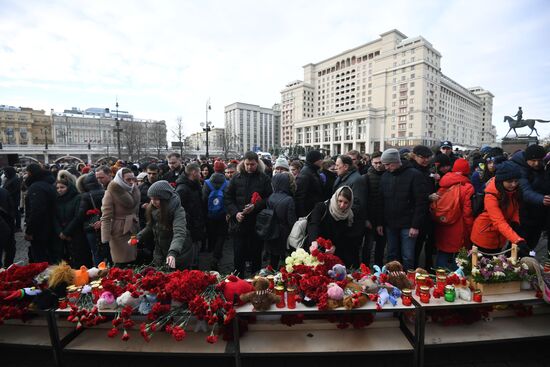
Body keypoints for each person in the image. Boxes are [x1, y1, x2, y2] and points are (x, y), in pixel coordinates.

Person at [377, 149, 429, 271]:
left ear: (396, 162)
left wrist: (415, 225)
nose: (386, 167)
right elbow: (381, 201)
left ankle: (408, 284)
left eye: (388, 164)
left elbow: (421, 202)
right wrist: (379, 222)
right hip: (390, 224)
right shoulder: (385, 176)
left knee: (408, 257)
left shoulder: (414, 175)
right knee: (391, 255)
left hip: (408, 224)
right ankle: (392, 280)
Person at [225, 151, 272, 275]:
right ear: (243, 163)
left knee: (256, 255)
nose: (249, 167)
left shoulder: (264, 178)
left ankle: (256, 282)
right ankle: (238, 281)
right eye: (247, 164)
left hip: (257, 223)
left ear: (257, 163)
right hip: (239, 223)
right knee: (238, 255)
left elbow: (269, 198)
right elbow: (228, 197)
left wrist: (255, 206)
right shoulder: (236, 177)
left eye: (252, 164)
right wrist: (235, 213)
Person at [135, 180, 193, 269]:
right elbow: (150, 226)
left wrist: (173, 252)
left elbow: (179, 232)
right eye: (151, 198)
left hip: (178, 253)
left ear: (165, 198)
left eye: (156, 199)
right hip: (160, 251)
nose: (153, 202)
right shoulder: (154, 208)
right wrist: (138, 237)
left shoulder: (178, 210)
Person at [470, 161, 525, 253]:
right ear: (501, 181)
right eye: (509, 181)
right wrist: (517, 240)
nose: (514, 184)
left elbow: (515, 208)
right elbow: (498, 221)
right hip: (484, 237)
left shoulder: (514, 191)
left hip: (499, 238)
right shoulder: (491, 196)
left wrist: (515, 221)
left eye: (516, 181)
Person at [433, 158, 474, 270]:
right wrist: (471, 230)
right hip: (459, 226)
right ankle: (456, 282)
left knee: (442, 252)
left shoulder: (444, 182)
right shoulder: (467, 187)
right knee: (459, 258)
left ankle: (439, 279)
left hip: (442, 223)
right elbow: (467, 212)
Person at [510, 144, 550, 257]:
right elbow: (525, 191)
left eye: (539, 160)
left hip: (538, 214)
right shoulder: (519, 168)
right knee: (518, 246)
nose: (536, 163)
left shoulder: (542, 167)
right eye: (533, 160)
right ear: (527, 159)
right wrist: (542, 199)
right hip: (523, 214)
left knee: (532, 243)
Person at [307, 186, 358, 266]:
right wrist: (313, 241)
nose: (342, 205)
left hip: (334, 255)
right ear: (336, 198)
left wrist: (335, 247)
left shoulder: (349, 216)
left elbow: (346, 237)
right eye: (340, 201)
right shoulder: (322, 207)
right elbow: (313, 224)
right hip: (315, 249)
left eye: (346, 202)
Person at [101, 168, 140, 267]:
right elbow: (106, 217)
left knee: (133, 261)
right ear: (120, 179)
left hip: (133, 227)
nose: (131, 182)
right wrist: (105, 238)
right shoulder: (111, 192)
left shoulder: (134, 190)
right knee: (121, 261)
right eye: (128, 179)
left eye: (132, 179)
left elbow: (136, 211)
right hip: (119, 230)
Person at [53, 171, 91, 267]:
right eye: (57, 188)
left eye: (62, 187)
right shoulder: (56, 200)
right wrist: (60, 232)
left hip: (76, 234)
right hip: (61, 236)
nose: (59, 190)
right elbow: (55, 218)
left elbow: (78, 217)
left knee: (79, 260)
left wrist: (67, 232)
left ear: (68, 188)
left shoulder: (77, 198)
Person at [410, 145, 436, 269]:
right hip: (414, 213)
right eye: (422, 157)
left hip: (426, 213)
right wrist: (428, 197)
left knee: (423, 243)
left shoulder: (428, 170)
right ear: (414, 156)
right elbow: (413, 194)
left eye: (427, 157)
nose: (425, 160)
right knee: (413, 248)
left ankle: (425, 268)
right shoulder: (411, 170)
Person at [24, 164, 56, 263]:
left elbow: (37, 211)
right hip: (51, 226)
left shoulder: (36, 187)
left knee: (40, 260)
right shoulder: (49, 183)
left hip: (40, 230)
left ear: (30, 173)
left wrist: (29, 231)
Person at [176, 163, 206, 266]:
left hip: (196, 225)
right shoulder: (183, 189)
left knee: (196, 252)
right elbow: (180, 209)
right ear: (194, 172)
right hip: (190, 227)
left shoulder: (195, 185)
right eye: (199, 172)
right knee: (191, 255)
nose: (200, 175)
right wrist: (192, 221)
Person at [266, 172, 296, 268]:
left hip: (272, 230)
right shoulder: (289, 199)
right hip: (284, 232)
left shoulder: (270, 197)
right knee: (287, 259)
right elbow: (291, 220)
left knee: (273, 259)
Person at [77, 172, 108, 266]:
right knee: (108, 250)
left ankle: (99, 274)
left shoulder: (86, 196)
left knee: (96, 252)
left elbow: (81, 215)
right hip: (106, 225)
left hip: (92, 228)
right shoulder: (105, 192)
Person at [202, 168, 228, 270]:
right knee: (221, 235)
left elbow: (204, 199)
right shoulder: (226, 183)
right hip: (223, 214)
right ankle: (216, 255)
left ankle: (212, 251)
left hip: (210, 215)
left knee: (212, 234)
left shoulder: (207, 183)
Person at [363, 152, 386, 267]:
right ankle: (365, 269)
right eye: (375, 163)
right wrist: (366, 219)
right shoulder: (366, 177)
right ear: (371, 163)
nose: (378, 165)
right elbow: (364, 200)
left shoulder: (388, 175)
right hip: (370, 217)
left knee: (381, 247)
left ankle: (379, 269)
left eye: (380, 162)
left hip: (384, 217)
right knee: (368, 246)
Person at [295, 151, 325, 218]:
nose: (322, 161)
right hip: (308, 213)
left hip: (313, 211)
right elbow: (299, 197)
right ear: (315, 160)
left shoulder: (313, 171)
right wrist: (303, 216)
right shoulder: (305, 173)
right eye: (320, 159)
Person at [0, 186, 16, 267]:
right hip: (7, 225)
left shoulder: (4, 191)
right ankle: (7, 268)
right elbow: (12, 210)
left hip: (5, 226)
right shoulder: (5, 191)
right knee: (10, 250)